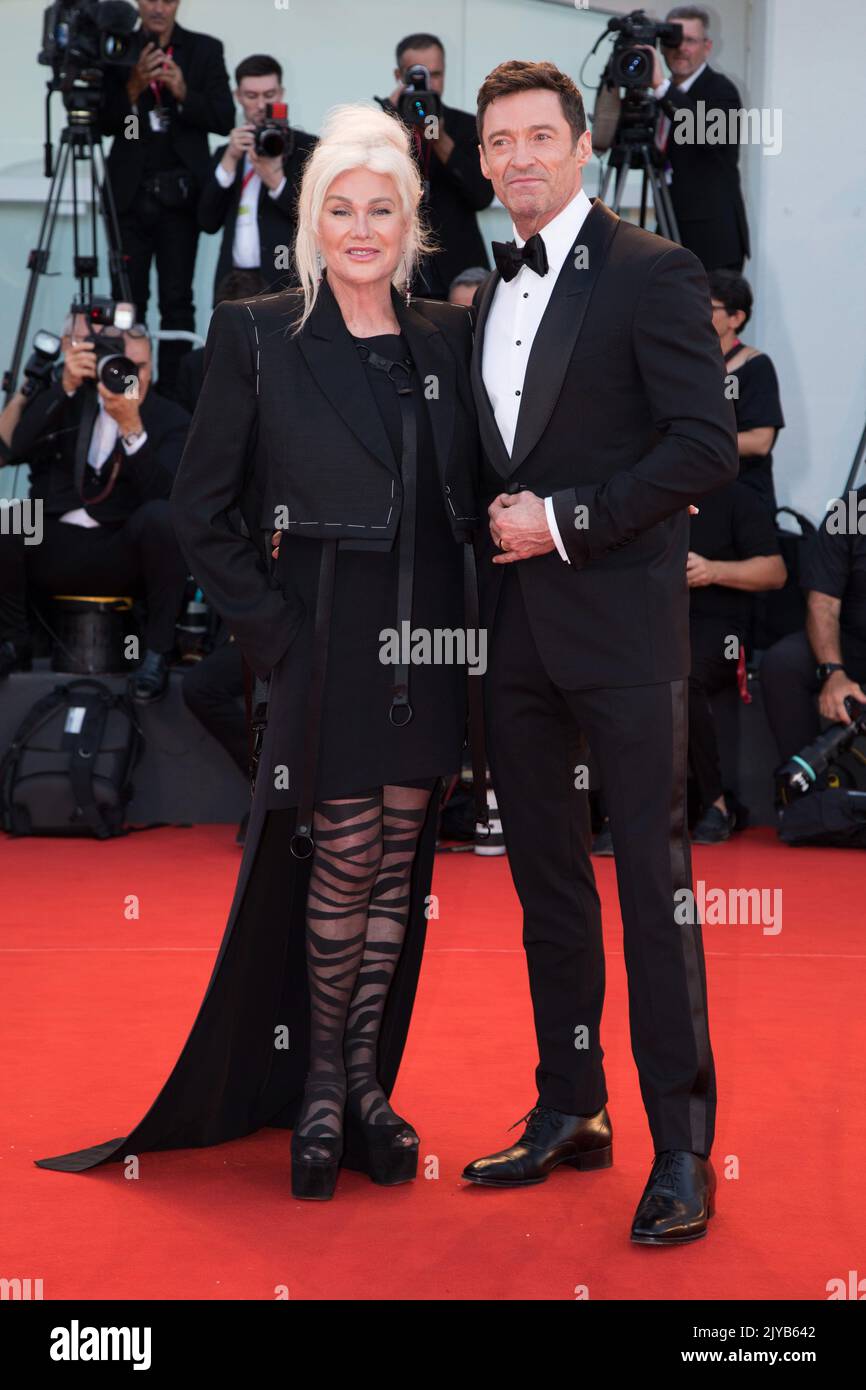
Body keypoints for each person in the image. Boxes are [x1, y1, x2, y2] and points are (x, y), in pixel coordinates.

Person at [34, 105, 481, 1204]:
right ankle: (321, 1089)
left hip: (425, 634)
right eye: (341, 207)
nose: (362, 227)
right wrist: (273, 635)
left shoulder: (442, 339)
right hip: (320, 628)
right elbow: (202, 505)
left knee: (395, 868)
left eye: (382, 208)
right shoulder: (258, 331)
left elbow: (466, 493)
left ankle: (369, 1082)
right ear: (310, 221)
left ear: (412, 222)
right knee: (338, 859)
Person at [461, 60, 738, 1245]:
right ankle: (570, 1104)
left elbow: (702, 446)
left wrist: (565, 519)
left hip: (622, 626)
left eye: (538, 136)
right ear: (479, 162)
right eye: (497, 142)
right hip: (515, 633)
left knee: (649, 889)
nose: (518, 158)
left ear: (580, 147)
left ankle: (680, 1146)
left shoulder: (652, 270)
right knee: (545, 889)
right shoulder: (483, 296)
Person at [1, 316, 189, 699]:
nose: (127, 376)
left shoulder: (171, 419)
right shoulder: (71, 399)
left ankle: (156, 654)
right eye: (119, 364)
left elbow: (165, 493)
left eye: (137, 369)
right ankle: (13, 643)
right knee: (9, 515)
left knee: (163, 518)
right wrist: (64, 386)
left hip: (121, 550)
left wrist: (133, 429)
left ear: (151, 370)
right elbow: (13, 449)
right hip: (55, 544)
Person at [99, 0, 234, 398]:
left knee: (178, 300)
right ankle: (126, 389)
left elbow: (223, 118)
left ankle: (174, 398)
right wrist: (133, 89)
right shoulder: (118, 48)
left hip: (181, 200)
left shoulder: (204, 49)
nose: (158, 8)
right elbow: (110, 125)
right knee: (129, 301)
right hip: (127, 198)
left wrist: (182, 92)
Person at [686, 481, 786, 842]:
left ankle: (717, 805)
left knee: (681, 676)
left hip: (721, 633)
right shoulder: (643, 496)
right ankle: (612, 812)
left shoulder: (737, 498)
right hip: (650, 622)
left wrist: (712, 570)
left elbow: (776, 572)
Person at [379, 33, 494, 297]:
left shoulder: (467, 126)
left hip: (459, 272)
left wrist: (440, 139)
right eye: (418, 76)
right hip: (399, 268)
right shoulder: (382, 127)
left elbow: (482, 195)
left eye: (436, 74)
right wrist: (390, 116)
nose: (428, 84)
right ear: (399, 76)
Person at [198, 54, 317, 304]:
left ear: (281, 93)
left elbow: (314, 218)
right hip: (233, 283)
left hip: (286, 284)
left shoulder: (306, 147)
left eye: (269, 95)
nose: (261, 104)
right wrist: (229, 160)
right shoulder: (227, 152)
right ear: (238, 96)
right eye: (251, 96)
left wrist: (275, 180)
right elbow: (207, 222)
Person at [761, 486, 866, 762]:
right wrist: (833, 671)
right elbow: (823, 602)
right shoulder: (849, 510)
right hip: (855, 643)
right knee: (784, 663)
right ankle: (809, 798)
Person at [643, 5, 750, 272]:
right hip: (668, 233)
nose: (681, 48)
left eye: (690, 40)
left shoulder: (722, 91)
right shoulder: (659, 96)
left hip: (713, 242)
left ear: (707, 46)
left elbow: (705, 134)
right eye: (673, 39)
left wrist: (661, 88)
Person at [709, 270, 785, 513]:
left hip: (742, 495)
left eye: (708, 307)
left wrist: (698, 443)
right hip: (697, 491)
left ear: (736, 318)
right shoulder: (687, 365)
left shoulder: (756, 366)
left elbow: (761, 441)